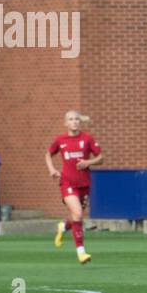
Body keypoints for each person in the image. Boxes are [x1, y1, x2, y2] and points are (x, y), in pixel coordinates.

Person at [46, 111, 102, 264]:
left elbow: (100, 158)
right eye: (71, 119)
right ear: (66, 123)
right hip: (67, 183)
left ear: (80, 122)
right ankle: (81, 253)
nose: (74, 122)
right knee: (78, 213)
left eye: (77, 119)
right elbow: (48, 154)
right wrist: (52, 170)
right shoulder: (60, 140)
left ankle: (63, 226)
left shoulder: (87, 138)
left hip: (84, 184)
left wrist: (88, 163)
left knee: (76, 216)